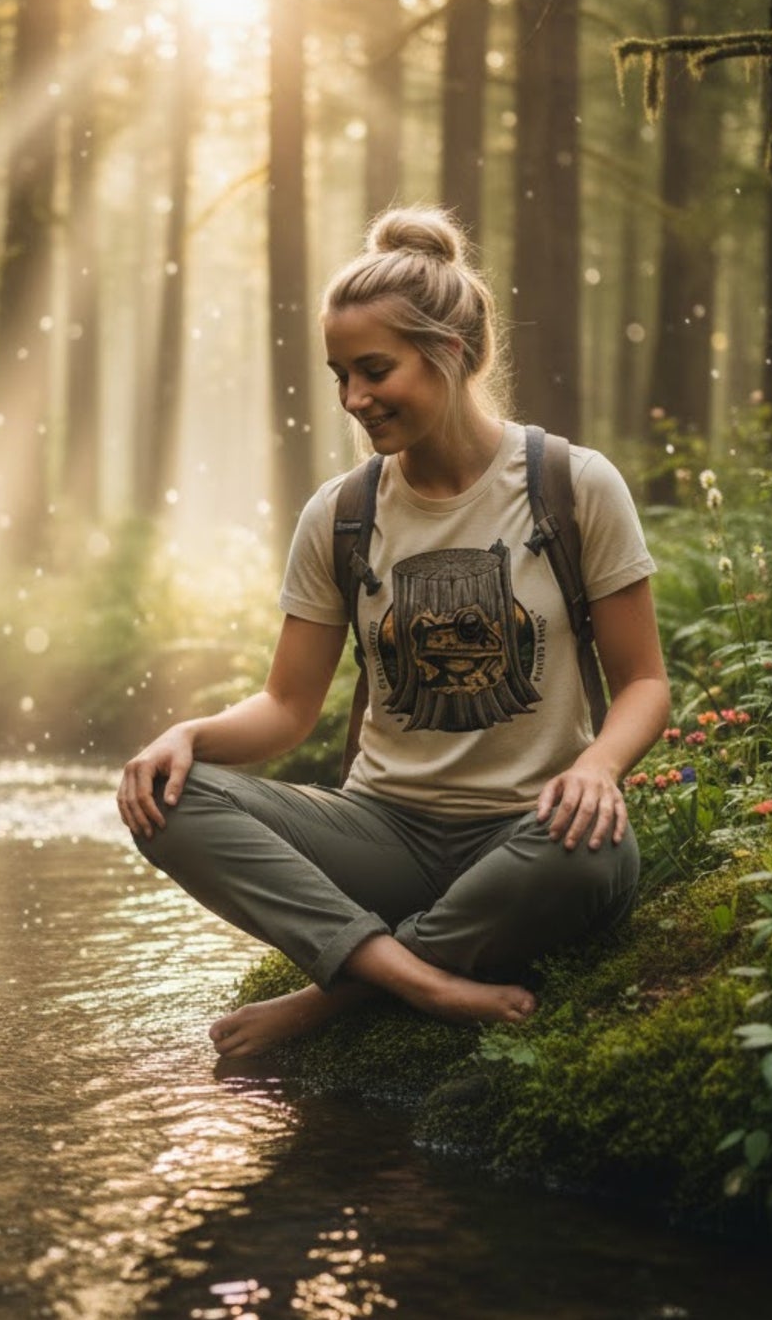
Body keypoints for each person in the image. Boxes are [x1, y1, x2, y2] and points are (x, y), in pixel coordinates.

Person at [116, 206, 670, 1057]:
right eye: (340, 375)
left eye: (374, 370)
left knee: (596, 855)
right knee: (170, 803)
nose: (353, 398)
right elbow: (286, 707)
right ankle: (423, 981)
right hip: (381, 836)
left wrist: (596, 767)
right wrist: (187, 735)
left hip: (530, 833)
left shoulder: (571, 484)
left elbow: (644, 682)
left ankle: (328, 1001)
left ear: (448, 352)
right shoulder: (341, 513)